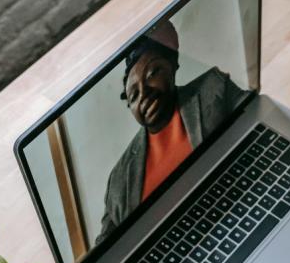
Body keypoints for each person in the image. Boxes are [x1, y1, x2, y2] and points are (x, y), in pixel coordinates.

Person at [95, 20, 248, 244]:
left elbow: (258, 119)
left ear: (172, 66)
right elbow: (104, 246)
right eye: (133, 96)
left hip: (235, 210)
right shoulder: (118, 179)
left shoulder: (213, 89)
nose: (144, 93)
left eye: (152, 73)